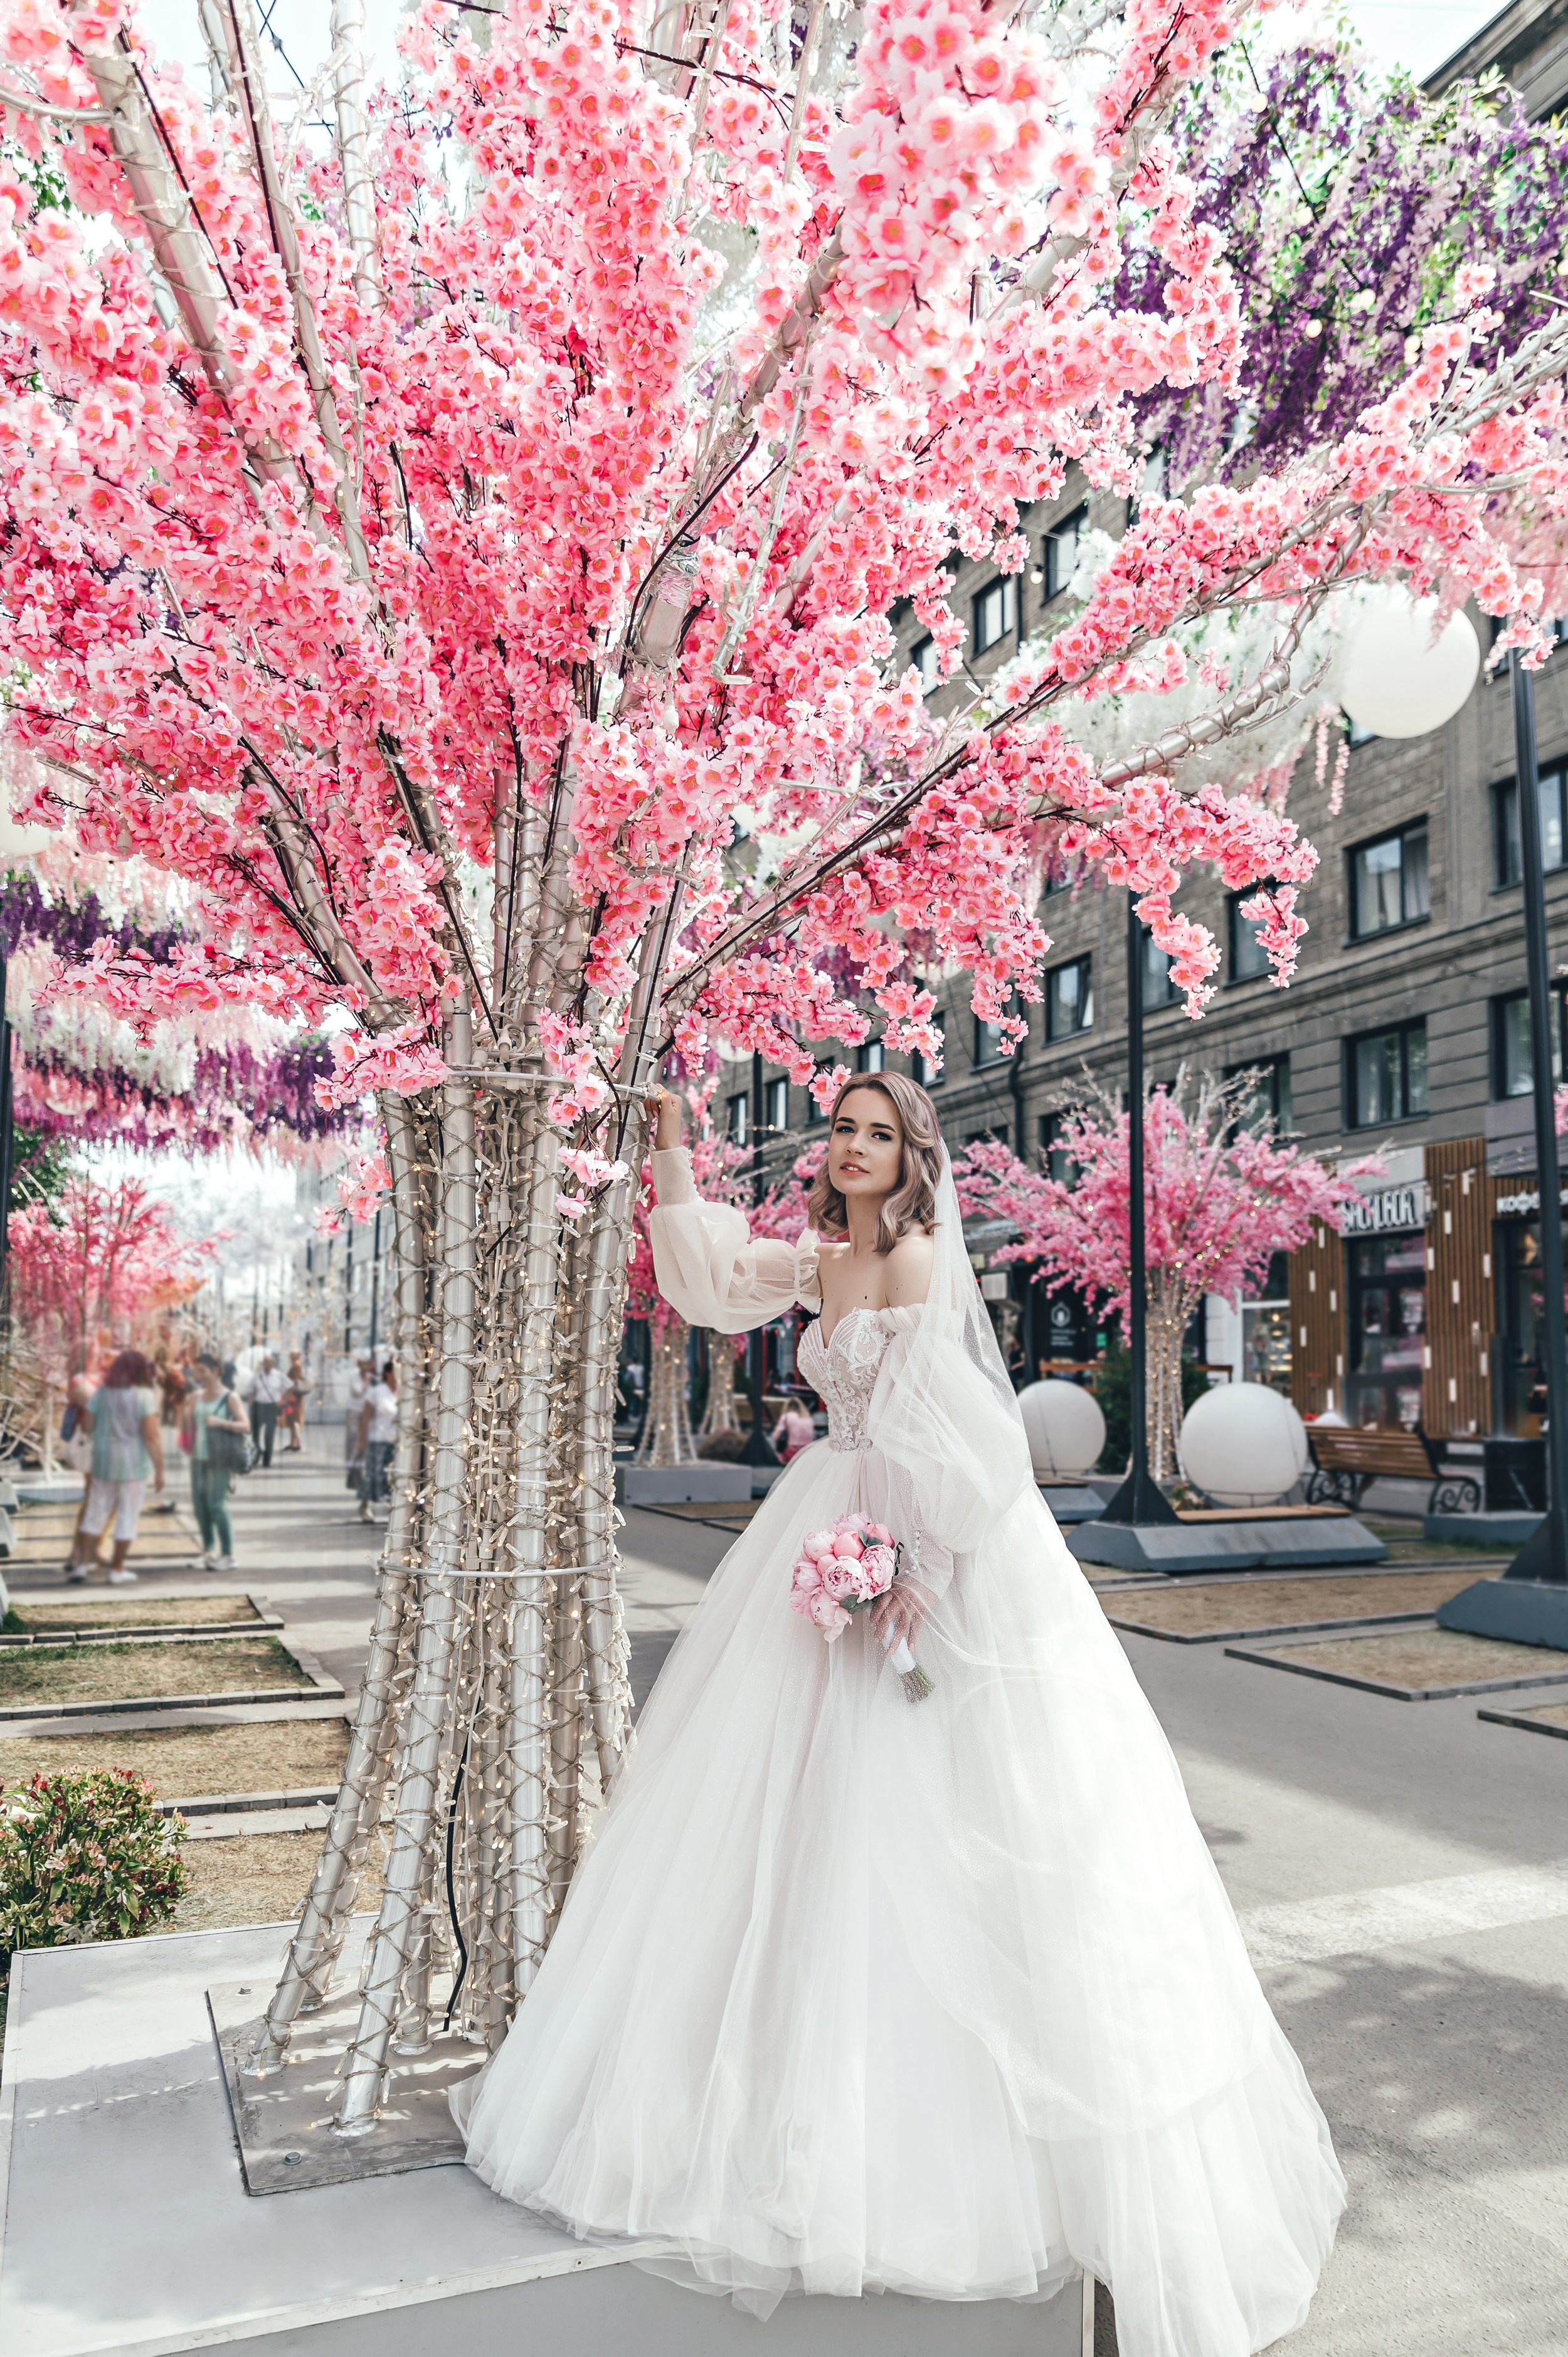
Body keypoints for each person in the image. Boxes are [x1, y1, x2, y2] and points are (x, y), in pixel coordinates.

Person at [455, 1075, 1344, 2356]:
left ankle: (947, 2162)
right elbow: (709, 1284)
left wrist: (911, 1564)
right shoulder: (822, 1256)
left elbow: (964, 1433)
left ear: (908, 1155)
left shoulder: (923, 1254)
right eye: (842, 1130)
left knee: (935, 1802)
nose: (852, 1148)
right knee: (785, 1804)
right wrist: (665, 1149)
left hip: (918, 1539)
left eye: (876, 1132)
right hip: (820, 1524)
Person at [68, 1349, 164, 1587]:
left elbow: (88, 1427)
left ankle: (82, 1564)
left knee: (94, 1513)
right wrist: (160, 1469)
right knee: (127, 1516)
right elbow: (151, 1437)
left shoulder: (101, 1393)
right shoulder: (144, 1396)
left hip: (103, 1462)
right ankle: (117, 1569)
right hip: (133, 1466)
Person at [181, 1354, 248, 1571]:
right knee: (200, 1504)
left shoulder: (230, 1397)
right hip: (198, 1456)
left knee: (217, 1503)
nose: (199, 1376)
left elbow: (245, 1426)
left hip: (219, 1456)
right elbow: (188, 1423)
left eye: (203, 1371)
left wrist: (220, 1422)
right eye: (196, 1372)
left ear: (216, 1371)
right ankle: (209, 1551)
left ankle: (228, 1554)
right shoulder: (196, 1396)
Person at [357, 1359, 398, 1523]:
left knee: (393, 1476)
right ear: (388, 1373)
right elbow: (366, 1417)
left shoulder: (405, 1392)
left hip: (397, 1441)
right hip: (377, 1439)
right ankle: (365, 1505)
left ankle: (394, 1508)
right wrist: (362, 1440)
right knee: (373, 1474)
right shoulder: (377, 1392)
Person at [248, 1354, 287, 1467]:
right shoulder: (257, 1377)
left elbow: (290, 1387)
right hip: (258, 1406)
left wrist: (284, 1401)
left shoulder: (279, 1376)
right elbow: (251, 1392)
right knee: (255, 1434)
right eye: (266, 1363)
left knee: (269, 1435)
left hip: (271, 1407)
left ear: (273, 1364)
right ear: (263, 1364)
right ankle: (256, 1455)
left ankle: (267, 1459)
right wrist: (251, 1407)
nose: (268, 1366)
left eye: (270, 1364)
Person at [344, 1354, 373, 1496]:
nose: (364, 1367)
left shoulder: (371, 1376)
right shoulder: (354, 1376)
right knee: (353, 1436)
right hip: (354, 1410)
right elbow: (357, 1393)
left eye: (366, 1364)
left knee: (363, 1439)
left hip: (366, 1411)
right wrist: (366, 1382)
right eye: (362, 1364)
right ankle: (351, 1464)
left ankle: (360, 1465)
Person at [768, 1393, 816, 1463]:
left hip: (793, 1452)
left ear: (787, 1407)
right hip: (807, 1450)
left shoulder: (786, 1417)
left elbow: (776, 1436)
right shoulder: (808, 1418)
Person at [283, 1351, 311, 1452]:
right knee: (292, 1419)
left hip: (295, 1397)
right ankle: (293, 1442)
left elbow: (295, 1381)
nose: (290, 1356)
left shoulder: (296, 1365)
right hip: (294, 1396)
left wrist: (287, 1393)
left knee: (295, 1420)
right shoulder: (297, 1365)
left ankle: (298, 1442)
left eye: (292, 1354)